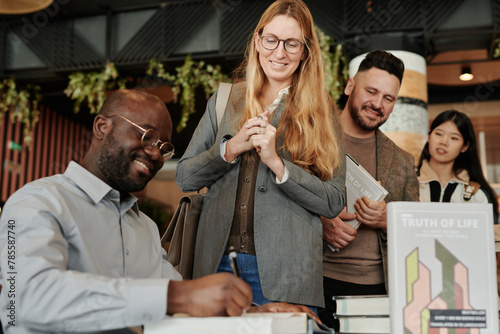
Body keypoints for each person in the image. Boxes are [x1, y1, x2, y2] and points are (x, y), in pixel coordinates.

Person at [0, 89, 316, 334]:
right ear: (101, 126)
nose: (155, 153)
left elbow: (182, 302)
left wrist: (253, 313)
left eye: (164, 147)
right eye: (146, 135)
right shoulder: (34, 202)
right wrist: (175, 296)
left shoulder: (145, 228)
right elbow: (22, 299)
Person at [175, 0, 345, 313]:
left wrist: (279, 166)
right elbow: (185, 177)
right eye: (271, 40)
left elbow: (334, 200)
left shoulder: (322, 114)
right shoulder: (225, 99)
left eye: (292, 44)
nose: (279, 53)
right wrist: (231, 147)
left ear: (305, 51)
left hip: (287, 278)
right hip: (216, 268)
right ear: (257, 41)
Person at [319, 50, 420, 330]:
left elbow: (416, 232)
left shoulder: (402, 160)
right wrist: (321, 222)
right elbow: (278, 202)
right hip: (316, 283)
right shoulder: (312, 140)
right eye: (372, 91)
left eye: (388, 98)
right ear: (350, 86)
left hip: (381, 290)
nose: (378, 104)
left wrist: (389, 219)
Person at [417, 109, 499, 222]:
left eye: (454, 138)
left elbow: (489, 237)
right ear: (429, 136)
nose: (444, 142)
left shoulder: (477, 195)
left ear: (465, 146)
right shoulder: (409, 184)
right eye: (438, 134)